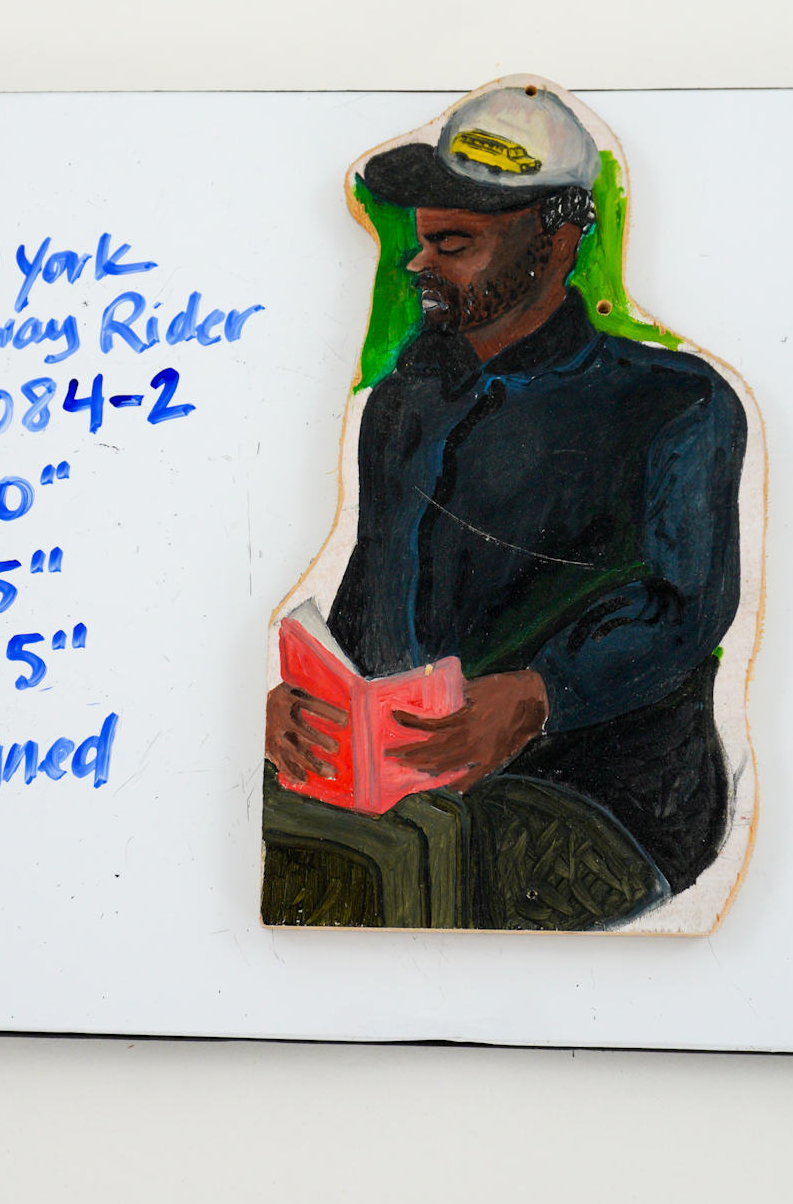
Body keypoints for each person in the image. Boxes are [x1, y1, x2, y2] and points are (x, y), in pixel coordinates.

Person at [264, 79, 747, 929]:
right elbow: (374, 590)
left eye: (453, 243)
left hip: (605, 798)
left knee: (384, 871)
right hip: (412, 775)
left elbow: (684, 612)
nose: (419, 264)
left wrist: (535, 697)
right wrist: (309, 707)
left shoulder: (675, 402)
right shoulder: (405, 400)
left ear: (556, 242)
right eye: (423, 240)